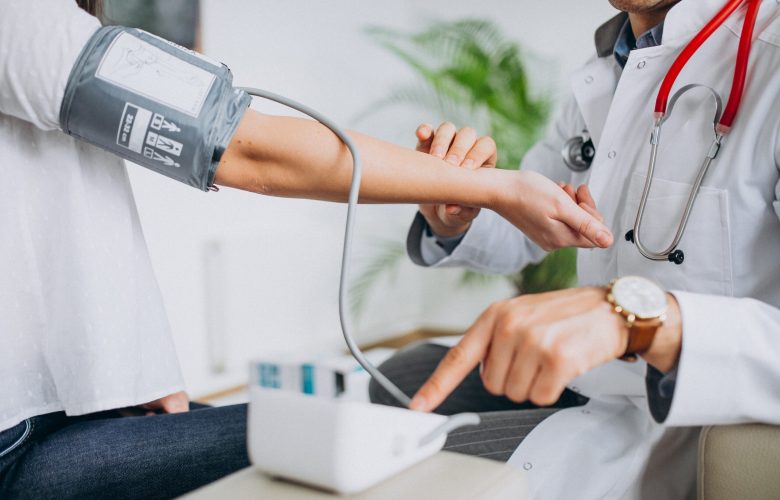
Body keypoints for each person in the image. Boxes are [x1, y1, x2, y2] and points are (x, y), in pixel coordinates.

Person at [0, 1, 613, 498]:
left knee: (355, 430)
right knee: (351, 431)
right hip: (18, 440)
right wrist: (488, 189)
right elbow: (245, 146)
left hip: (61, 404)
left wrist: (128, 370)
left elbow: (50, 218)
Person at [370, 0, 780, 498]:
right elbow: (526, 227)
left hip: (688, 403)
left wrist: (646, 322)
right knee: (397, 378)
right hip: (599, 374)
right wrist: (458, 209)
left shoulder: (771, 54)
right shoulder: (614, 64)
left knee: (405, 474)